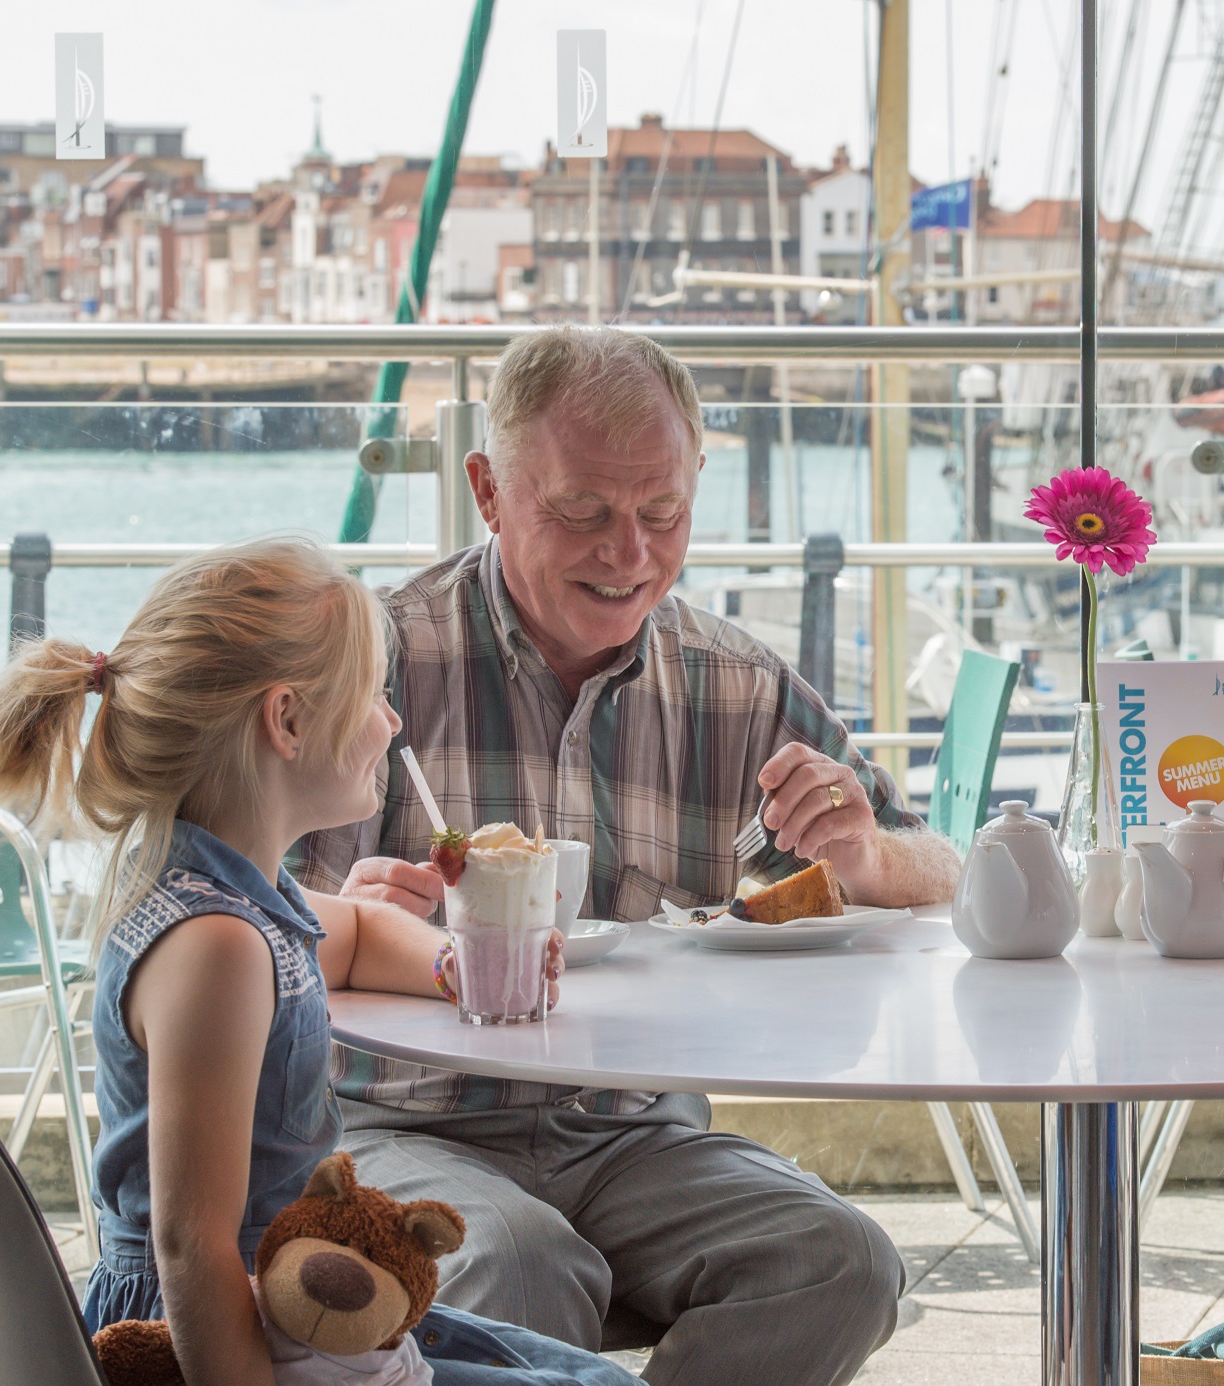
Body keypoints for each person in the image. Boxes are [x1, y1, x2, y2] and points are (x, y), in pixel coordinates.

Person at [292, 326, 946, 1386]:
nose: (629, 553)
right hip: (391, 1116)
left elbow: (937, 868)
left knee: (842, 1263)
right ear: (489, 491)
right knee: (517, 1260)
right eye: (583, 512)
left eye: (663, 514)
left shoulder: (733, 684)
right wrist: (335, 911)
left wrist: (867, 859)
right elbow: (215, 914)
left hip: (630, 1130)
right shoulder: (373, 662)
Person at [0, 538, 635, 1384]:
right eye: (374, 695)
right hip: (228, 1328)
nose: (393, 720)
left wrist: (458, 968)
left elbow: (362, 937)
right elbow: (191, 1245)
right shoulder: (218, 947)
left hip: (289, 1301)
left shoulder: (233, 896)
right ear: (289, 720)